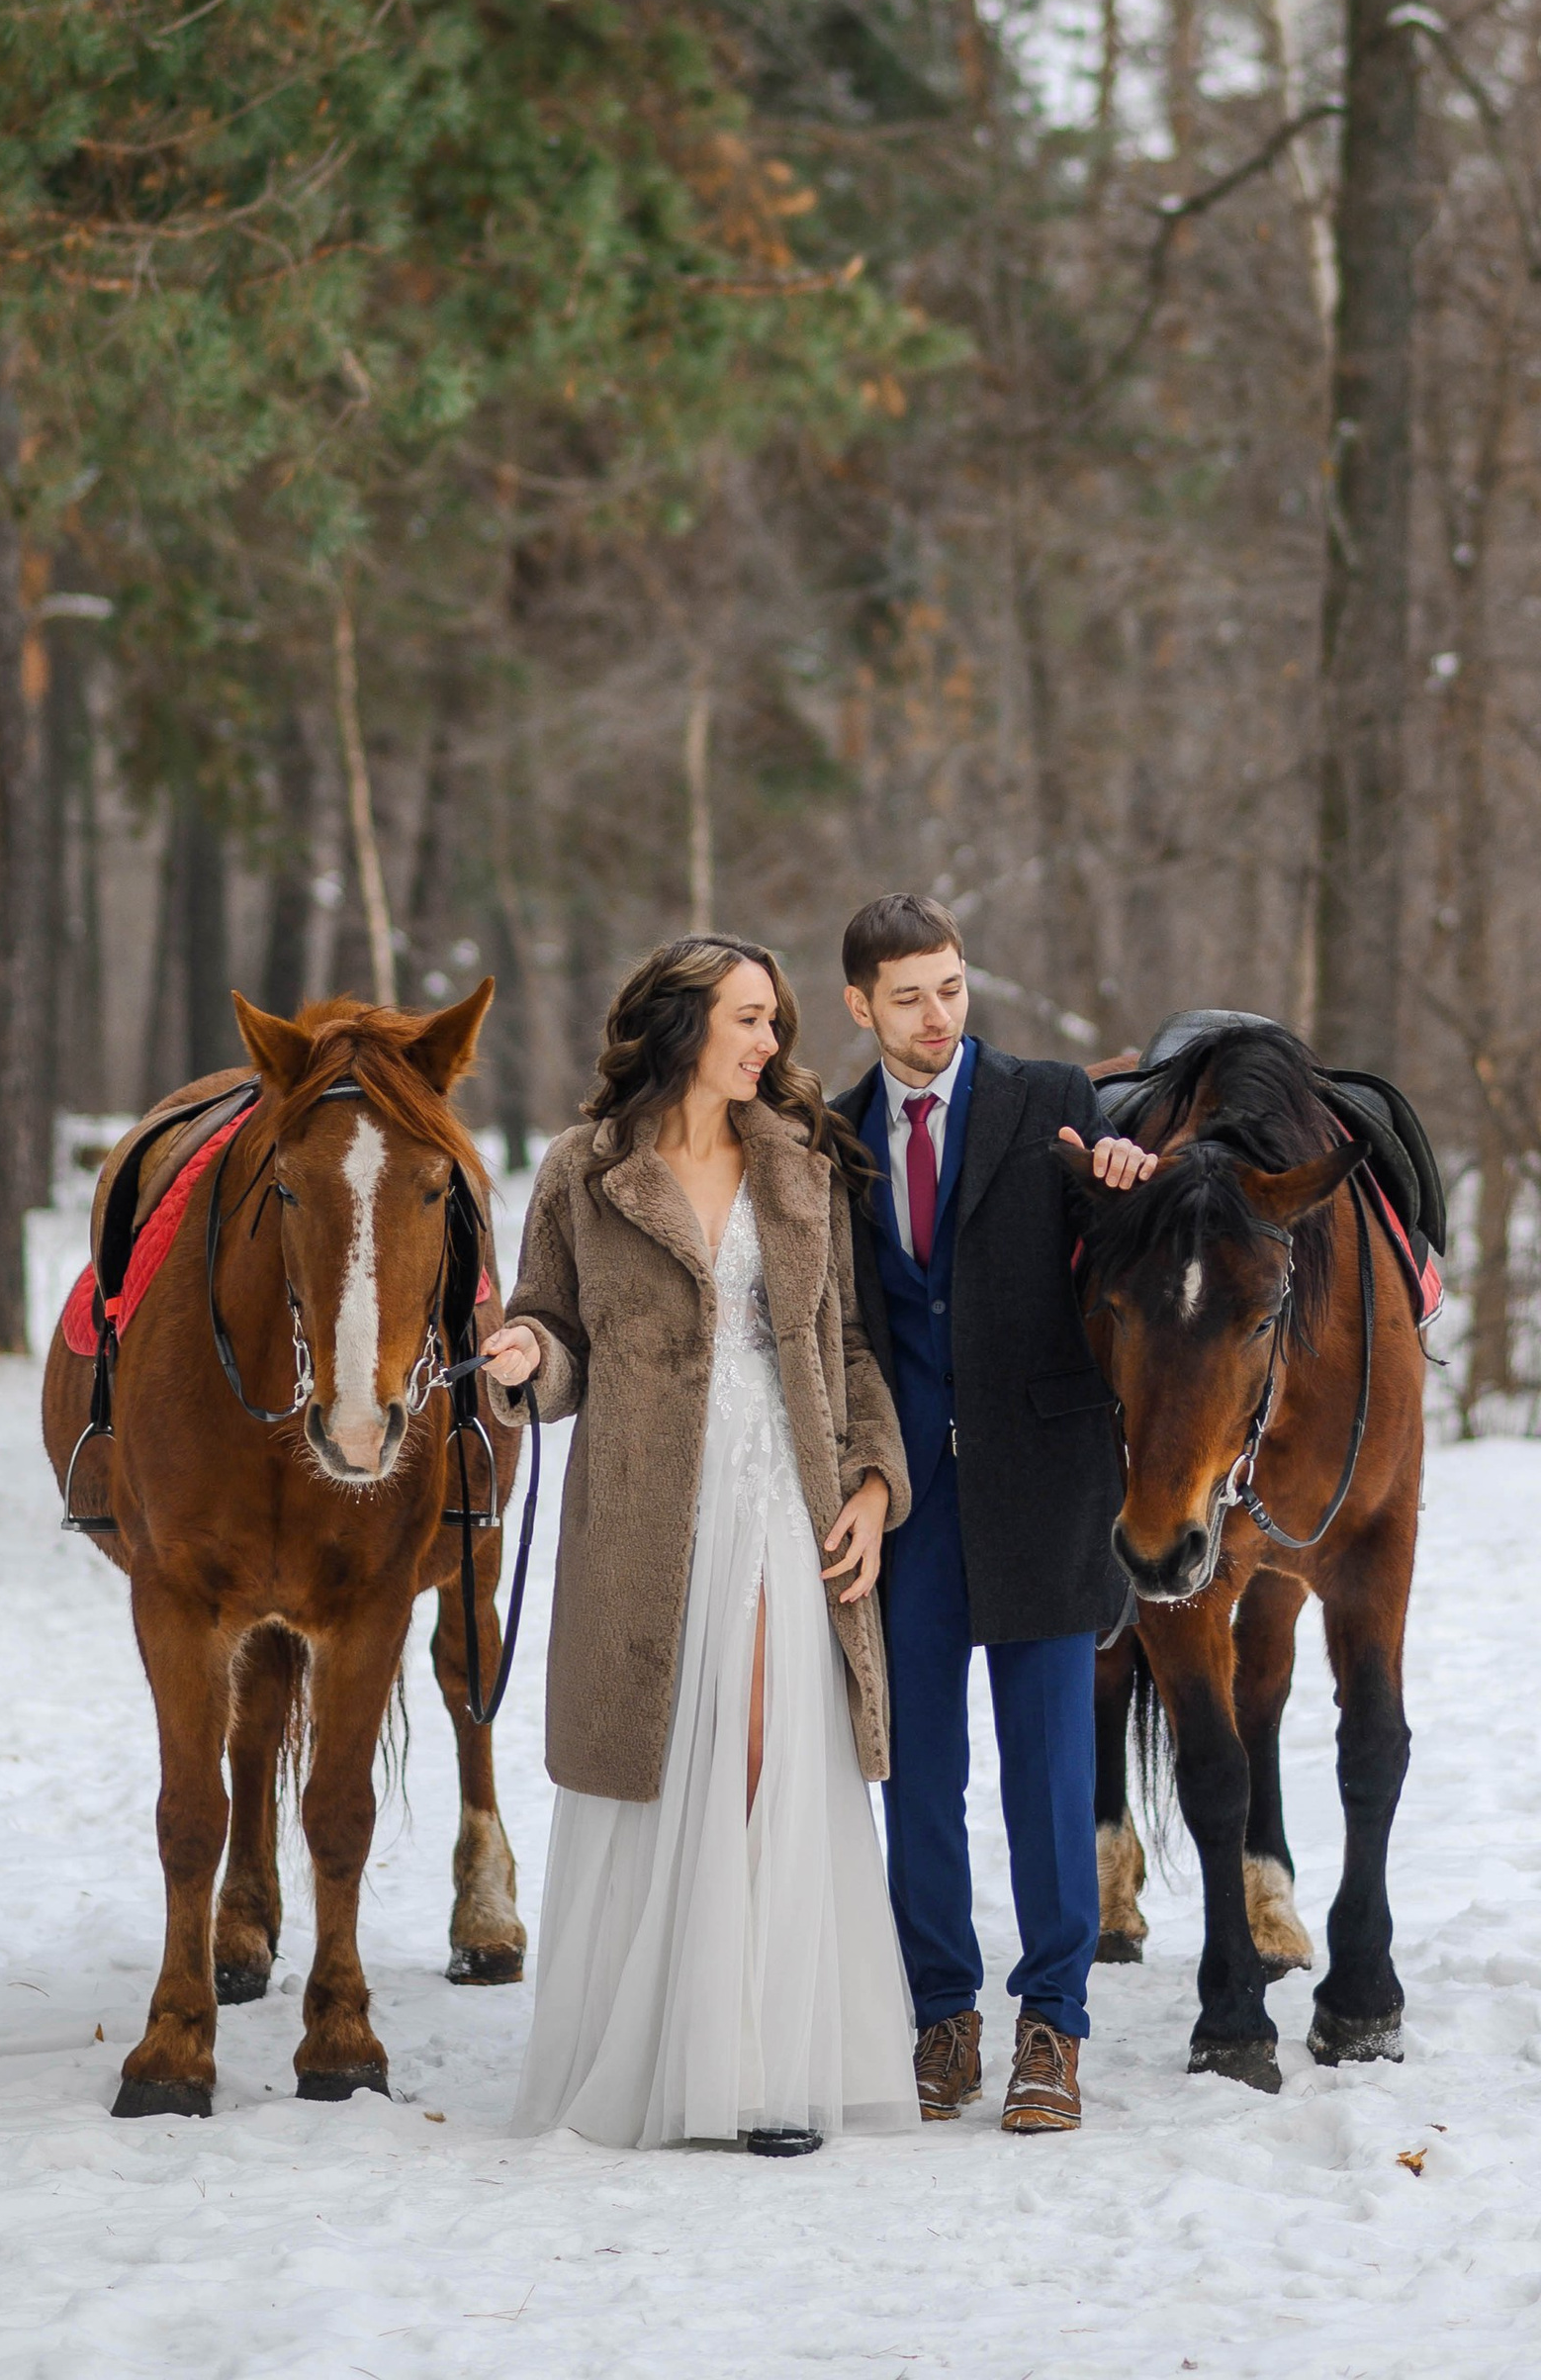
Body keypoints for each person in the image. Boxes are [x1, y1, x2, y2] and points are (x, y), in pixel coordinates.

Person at [480, 934, 918, 2154]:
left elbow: (851, 1351)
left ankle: (767, 2068)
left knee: (774, 1753)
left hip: (789, 1488)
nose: (771, 1042)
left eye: (773, 1019)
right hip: (643, 1506)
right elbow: (548, 1331)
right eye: (748, 1019)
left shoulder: (804, 1165)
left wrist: (875, 1483)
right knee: (662, 1761)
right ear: (682, 1027)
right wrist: (524, 1359)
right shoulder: (583, 1170)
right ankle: (664, 2055)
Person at [835, 892, 1151, 2138]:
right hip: (903, 1502)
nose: (935, 1015)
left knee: (1049, 1770)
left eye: (952, 986)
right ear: (860, 1003)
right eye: (907, 994)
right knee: (917, 1775)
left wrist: (1121, 1180)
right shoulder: (836, 1132)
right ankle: (941, 2010)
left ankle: (1052, 2024)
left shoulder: (1045, 1094)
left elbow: (1113, 1243)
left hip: (1044, 1486)